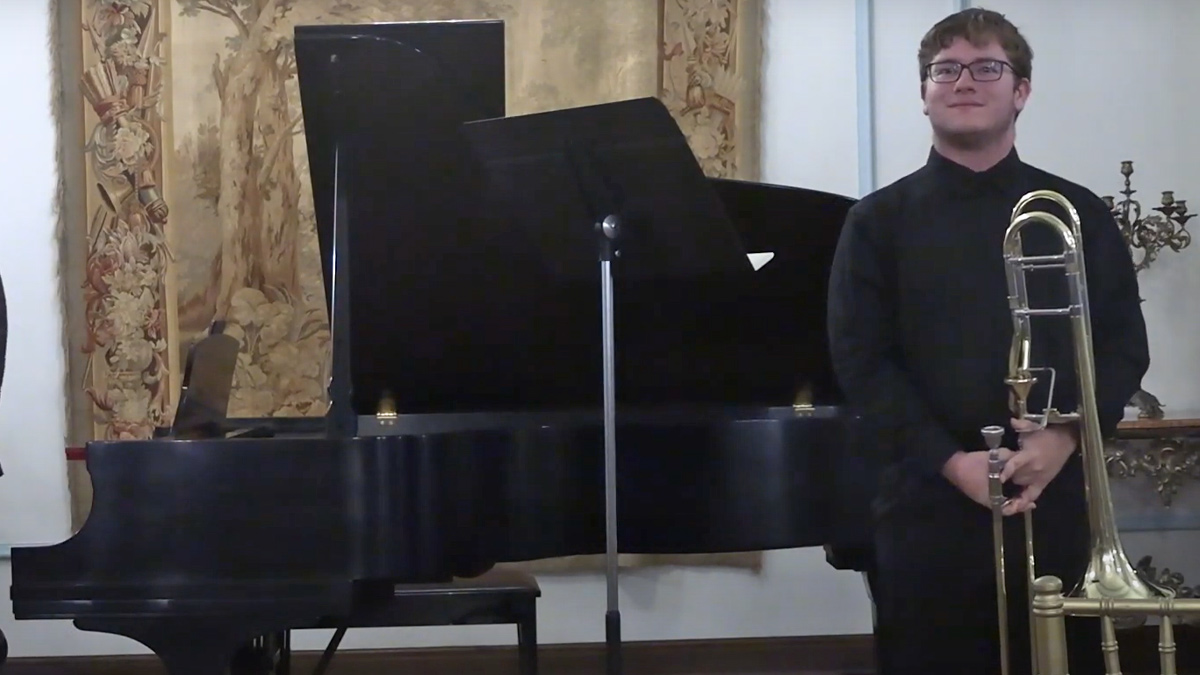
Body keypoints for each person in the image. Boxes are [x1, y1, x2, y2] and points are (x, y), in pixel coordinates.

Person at [826, 8, 1149, 675]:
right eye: (945, 69)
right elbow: (861, 361)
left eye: (987, 66)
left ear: (1021, 89)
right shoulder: (875, 223)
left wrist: (1063, 440)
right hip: (922, 503)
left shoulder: (1078, 211)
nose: (963, 80)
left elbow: (1123, 346)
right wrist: (953, 462)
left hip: (1054, 496)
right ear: (924, 93)